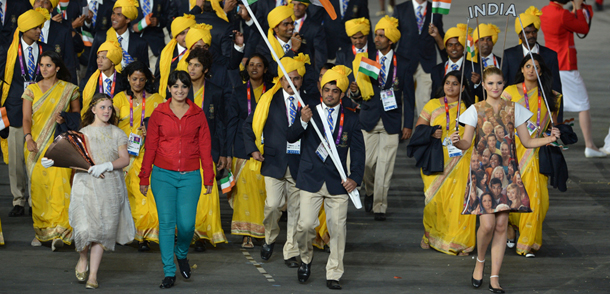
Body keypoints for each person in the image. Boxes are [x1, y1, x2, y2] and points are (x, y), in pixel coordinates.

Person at [451, 66, 560, 293]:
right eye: (490, 83)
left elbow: (528, 142)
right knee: (488, 224)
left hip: (508, 171)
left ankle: (494, 277)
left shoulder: (514, 109)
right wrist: (456, 141)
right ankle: (480, 261)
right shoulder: (475, 109)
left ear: (504, 84)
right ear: (484, 85)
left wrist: (549, 138)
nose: (495, 87)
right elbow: (466, 143)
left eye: (499, 83)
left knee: (501, 225)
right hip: (482, 172)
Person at [41, 93, 134, 289]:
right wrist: (53, 161)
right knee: (84, 227)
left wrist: (107, 165)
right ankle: (82, 258)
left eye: (110, 108)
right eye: (102, 107)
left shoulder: (117, 133)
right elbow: (74, 159)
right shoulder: (82, 132)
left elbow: (125, 159)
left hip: (109, 185)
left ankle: (93, 275)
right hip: (85, 185)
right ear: (93, 110)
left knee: (102, 230)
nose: (107, 111)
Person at [289, 65, 365, 290]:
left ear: (342, 94)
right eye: (326, 89)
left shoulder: (351, 119)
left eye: (334, 90)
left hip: (339, 182)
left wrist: (355, 178)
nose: (330, 94)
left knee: (338, 230)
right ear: (321, 90)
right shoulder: (308, 111)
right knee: (304, 225)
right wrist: (302, 121)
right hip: (310, 178)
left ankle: (334, 273)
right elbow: (291, 136)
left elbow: (359, 152)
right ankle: (305, 259)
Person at [139, 70, 215, 289]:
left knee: (187, 225)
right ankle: (169, 271)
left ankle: (181, 253)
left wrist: (208, 177)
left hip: (190, 176)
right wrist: (144, 176)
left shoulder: (198, 114)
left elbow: (205, 147)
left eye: (184, 86)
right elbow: (151, 147)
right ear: (169, 89)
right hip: (163, 175)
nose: (180, 90)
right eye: (176, 86)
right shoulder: (159, 114)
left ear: (188, 89)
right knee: (166, 224)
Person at [243, 54, 313, 268]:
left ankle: (290, 251)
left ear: (301, 80)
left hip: (300, 164)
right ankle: (270, 238)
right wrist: (253, 150)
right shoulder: (267, 100)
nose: (292, 83)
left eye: (296, 78)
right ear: (281, 80)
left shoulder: (310, 102)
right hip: (273, 162)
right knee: (273, 206)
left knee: (295, 211)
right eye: (287, 78)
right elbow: (248, 125)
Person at [501, 53, 561, 258]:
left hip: (536, 150)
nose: (531, 70)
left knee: (538, 199)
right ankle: (512, 227)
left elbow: (553, 123)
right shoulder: (508, 92)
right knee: (512, 193)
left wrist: (553, 133)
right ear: (522, 69)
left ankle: (527, 241)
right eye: (528, 66)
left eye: (536, 67)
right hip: (512, 149)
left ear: (541, 71)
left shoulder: (549, 95)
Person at [22, 50, 80, 250]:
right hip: (36, 145)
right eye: (41, 65)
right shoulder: (31, 90)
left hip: (60, 145)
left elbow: (77, 117)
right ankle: (42, 232)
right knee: (39, 189)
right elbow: (27, 119)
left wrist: (65, 119)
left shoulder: (70, 89)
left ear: (57, 68)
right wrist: (28, 138)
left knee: (61, 188)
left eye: (48, 65)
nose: (44, 69)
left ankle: (62, 231)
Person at [415, 71, 476, 256]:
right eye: (448, 83)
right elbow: (419, 129)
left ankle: (459, 241)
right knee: (434, 201)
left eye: (455, 83)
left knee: (459, 201)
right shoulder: (433, 105)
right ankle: (431, 236)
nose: (450, 87)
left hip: (461, 159)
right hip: (435, 158)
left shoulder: (469, 108)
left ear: (463, 87)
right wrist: (432, 132)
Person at [0, 8, 53, 218]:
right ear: (24, 29)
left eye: (40, 26)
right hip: (14, 109)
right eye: (35, 27)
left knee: (36, 155)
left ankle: (35, 199)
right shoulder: (7, 49)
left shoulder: (46, 50)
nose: (39, 30)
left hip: (40, 109)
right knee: (15, 159)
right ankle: (18, 199)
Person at [359, 16, 410, 221]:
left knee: (385, 166)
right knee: (365, 163)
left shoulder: (403, 63)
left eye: (381, 35)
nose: (377, 38)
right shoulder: (367, 59)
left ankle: (380, 205)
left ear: (391, 40)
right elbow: (360, 91)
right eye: (376, 35)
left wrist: (408, 124)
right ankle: (370, 191)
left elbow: (410, 97)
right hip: (369, 118)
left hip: (392, 120)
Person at [541, 0, 605, 157]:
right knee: (583, 104)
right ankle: (590, 146)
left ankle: (550, 142)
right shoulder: (563, 15)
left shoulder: (545, 11)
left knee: (554, 106)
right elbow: (582, 28)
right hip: (566, 65)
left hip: (550, 64)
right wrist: (578, 7)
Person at [112, 61, 164, 251]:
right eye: (134, 79)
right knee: (127, 194)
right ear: (128, 78)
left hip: (149, 152)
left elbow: (166, 124)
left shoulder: (157, 100)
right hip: (124, 152)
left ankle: (146, 235)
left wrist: (150, 127)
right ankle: (128, 233)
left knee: (146, 193)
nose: (138, 83)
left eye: (142, 79)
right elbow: (111, 124)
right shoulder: (119, 99)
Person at [226, 53, 273, 248]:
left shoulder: (272, 92)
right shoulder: (237, 92)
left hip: (265, 149)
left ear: (266, 69)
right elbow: (231, 123)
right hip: (241, 149)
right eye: (251, 65)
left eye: (259, 65)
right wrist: (227, 153)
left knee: (263, 193)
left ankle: (263, 232)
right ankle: (246, 234)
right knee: (244, 193)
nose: (254, 68)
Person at [185, 47, 228, 251]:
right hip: (183, 148)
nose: (192, 69)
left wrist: (222, 152)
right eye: (190, 64)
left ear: (206, 69)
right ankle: (185, 232)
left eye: (197, 65)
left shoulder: (216, 91)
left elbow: (221, 124)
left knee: (205, 191)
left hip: (207, 149)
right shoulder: (180, 89)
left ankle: (201, 235)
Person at [501, 6, 563, 120]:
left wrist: (558, 121)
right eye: (527, 32)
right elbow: (503, 84)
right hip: (515, 111)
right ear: (520, 35)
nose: (531, 35)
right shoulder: (509, 55)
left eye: (534, 32)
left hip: (542, 111)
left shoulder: (550, 55)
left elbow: (556, 89)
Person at [394, 0, 445, 119]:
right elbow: (393, 37)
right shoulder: (400, 9)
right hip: (404, 62)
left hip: (426, 63)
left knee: (425, 100)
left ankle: (422, 133)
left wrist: (447, 61)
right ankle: (399, 132)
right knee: (400, 99)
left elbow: (440, 37)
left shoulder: (435, 11)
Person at [85, 0, 150, 82]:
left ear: (128, 20)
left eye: (119, 15)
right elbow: (91, 68)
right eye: (113, 13)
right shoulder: (101, 38)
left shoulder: (140, 43)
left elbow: (145, 72)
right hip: (106, 88)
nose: (113, 17)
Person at [30, 1, 79, 85]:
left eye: (45, 2)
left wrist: (71, 92)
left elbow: (69, 63)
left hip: (56, 85)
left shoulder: (63, 31)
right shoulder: (24, 30)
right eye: (37, 1)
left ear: (52, 9)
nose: (41, 5)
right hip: (31, 85)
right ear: (33, 6)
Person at [430, 24, 481, 101]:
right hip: (443, 111)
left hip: (465, 111)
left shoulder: (475, 68)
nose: (454, 48)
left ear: (463, 47)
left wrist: (478, 84)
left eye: (457, 44)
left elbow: (484, 96)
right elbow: (434, 98)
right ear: (446, 48)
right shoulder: (436, 70)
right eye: (450, 45)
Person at [155, 14, 196, 97]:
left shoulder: (198, 51)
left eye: (189, 32)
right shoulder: (166, 53)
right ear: (175, 37)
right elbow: (158, 79)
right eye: (182, 33)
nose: (186, 37)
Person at [81, 40, 126, 114]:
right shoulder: (87, 82)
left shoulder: (124, 81)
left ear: (113, 61)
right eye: (98, 57)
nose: (99, 61)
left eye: (104, 57)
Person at [335, 17, 372, 105]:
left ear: (366, 35)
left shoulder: (376, 51)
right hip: (351, 103)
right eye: (354, 38)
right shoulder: (342, 54)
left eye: (361, 37)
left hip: (372, 102)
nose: (358, 41)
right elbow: (338, 78)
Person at [131, 0, 172, 69]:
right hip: (136, 45)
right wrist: (132, 27)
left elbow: (168, 17)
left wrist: (158, 21)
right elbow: (122, 18)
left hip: (156, 46)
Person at [291, 0, 327, 73]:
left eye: (300, 4)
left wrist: (317, 77)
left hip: (307, 72)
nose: (296, 8)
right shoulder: (282, 24)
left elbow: (319, 56)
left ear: (306, 6)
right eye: (293, 4)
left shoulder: (316, 28)